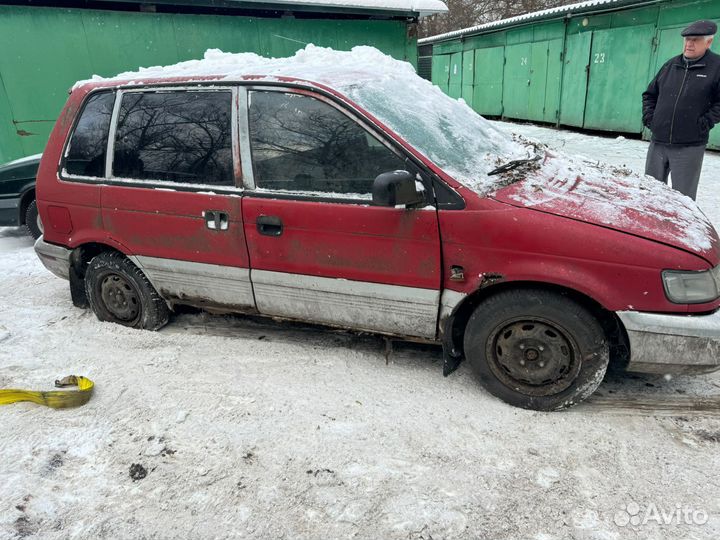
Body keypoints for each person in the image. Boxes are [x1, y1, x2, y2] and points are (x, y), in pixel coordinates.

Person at [642, 20, 720, 200]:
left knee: (683, 200)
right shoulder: (671, 65)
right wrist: (650, 119)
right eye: (686, 39)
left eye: (695, 40)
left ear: (708, 42)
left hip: (689, 145)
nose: (689, 44)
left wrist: (703, 123)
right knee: (649, 195)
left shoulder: (716, 67)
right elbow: (650, 94)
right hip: (658, 143)